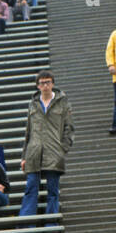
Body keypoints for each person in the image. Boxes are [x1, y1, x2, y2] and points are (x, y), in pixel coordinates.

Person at [19, 71, 73, 216]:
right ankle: (26, 222)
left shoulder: (63, 103)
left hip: (54, 152)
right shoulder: (33, 104)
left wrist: (62, 149)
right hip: (33, 151)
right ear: (38, 86)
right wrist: (24, 156)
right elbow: (28, 132)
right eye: (42, 83)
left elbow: (69, 128)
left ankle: (51, 222)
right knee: (30, 188)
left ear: (53, 84)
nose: (45, 85)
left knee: (53, 190)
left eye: (48, 82)